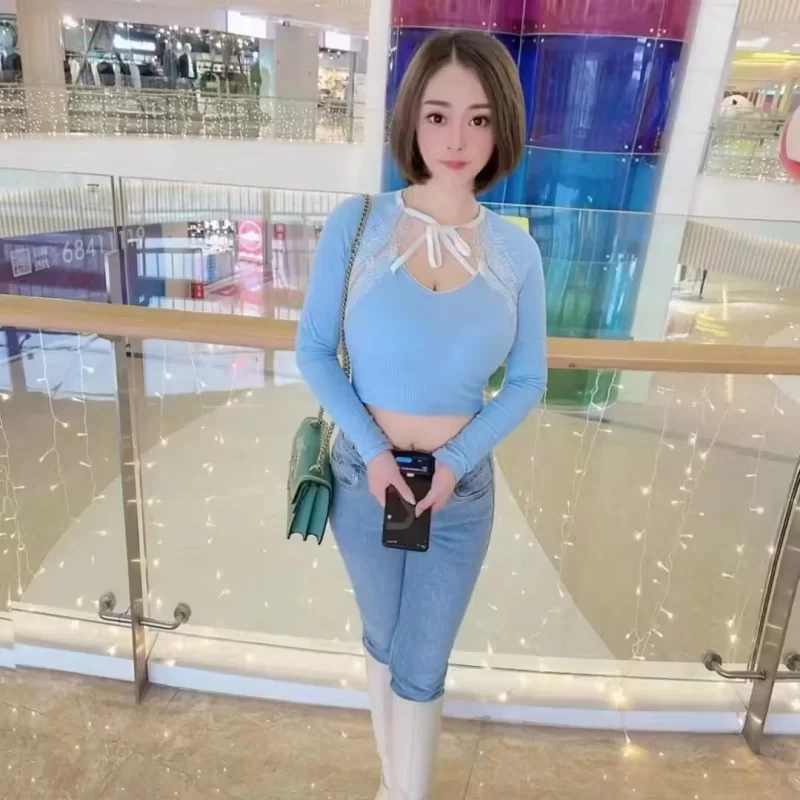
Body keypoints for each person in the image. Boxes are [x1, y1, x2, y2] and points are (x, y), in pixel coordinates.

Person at [296, 30, 547, 800]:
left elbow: (527, 381)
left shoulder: (516, 254)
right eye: (438, 116)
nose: (456, 139)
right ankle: (394, 787)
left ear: (502, 128)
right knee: (382, 637)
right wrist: (374, 453)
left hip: (457, 493)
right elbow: (314, 351)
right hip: (362, 479)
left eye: (479, 118)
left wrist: (455, 462)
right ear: (411, 119)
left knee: (423, 662)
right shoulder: (359, 225)